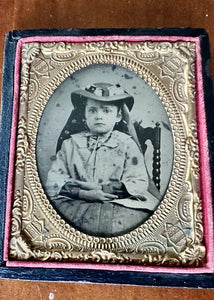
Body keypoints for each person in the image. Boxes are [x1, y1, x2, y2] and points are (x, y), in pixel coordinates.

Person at [45, 83, 160, 237]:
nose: (99, 116)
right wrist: (83, 193)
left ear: (118, 116)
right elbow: (53, 180)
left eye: (107, 111)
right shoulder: (70, 144)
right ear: (84, 115)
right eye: (92, 110)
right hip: (77, 202)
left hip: (118, 204)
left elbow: (138, 180)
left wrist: (106, 191)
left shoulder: (127, 144)